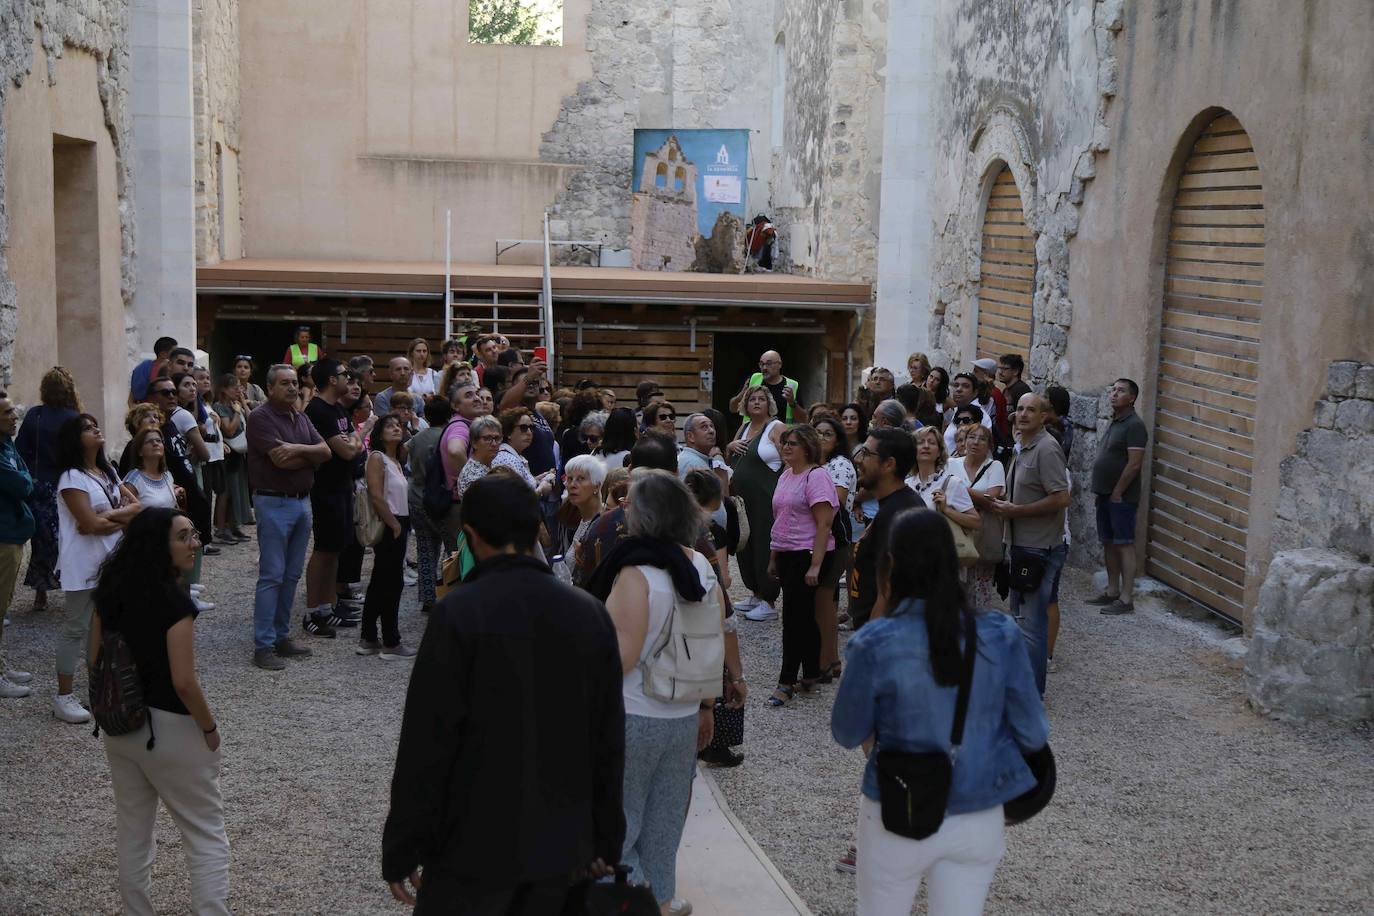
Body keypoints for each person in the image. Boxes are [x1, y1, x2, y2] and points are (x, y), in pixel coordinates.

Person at [382, 474, 625, 912]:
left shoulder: (458, 612)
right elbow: (607, 736)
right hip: (562, 840)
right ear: (537, 530)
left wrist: (404, 841)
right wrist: (608, 837)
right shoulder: (589, 613)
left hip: (471, 841)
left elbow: (428, 738)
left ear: (470, 536)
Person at [831, 509, 1049, 916]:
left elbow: (847, 731)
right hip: (979, 810)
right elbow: (1033, 733)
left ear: (890, 566)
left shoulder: (874, 642)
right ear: (953, 563)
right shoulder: (1000, 633)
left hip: (898, 803)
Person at [93, 508, 230, 915]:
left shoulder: (110, 591)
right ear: (159, 546)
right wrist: (210, 728)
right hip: (170, 727)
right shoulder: (175, 602)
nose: (195, 544)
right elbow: (184, 682)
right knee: (205, 835)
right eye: (184, 536)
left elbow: (94, 660)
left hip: (120, 726)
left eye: (194, 534)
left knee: (134, 833)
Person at [597, 471, 723, 915]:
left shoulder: (637, 573)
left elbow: (620, 659)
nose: (624, 507)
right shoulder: (703, 567)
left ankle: (627, 902)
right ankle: (662, 899)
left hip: (634, 710)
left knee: (622, 819)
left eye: (631, 502)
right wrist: (709, 705)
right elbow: (715, 641)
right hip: (684, 711)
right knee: (665, 820)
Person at [53, 414, 141, 722]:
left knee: (103, 628)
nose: (97, 430)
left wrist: (109, 519)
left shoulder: (107, 471)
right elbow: (88, 523)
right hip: (83, 564)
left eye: (95, 425)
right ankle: (63, 696)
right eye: (88, 428)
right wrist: (116, 518)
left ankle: (98, 688)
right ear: (75, 439)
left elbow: (136, 506)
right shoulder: (71, 478)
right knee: (76, 627)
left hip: (111, 559)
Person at [245, 364, 331, 671]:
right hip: (273, 502)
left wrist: (297, 450)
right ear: (270, 388)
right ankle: (264, 644)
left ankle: (281, 635)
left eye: (295, 383)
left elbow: (327, 452)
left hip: (301, 503)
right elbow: (280, 462)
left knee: (292, 574)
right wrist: (309, 457)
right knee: (272, 575)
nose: (293, 388)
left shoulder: (301, 417)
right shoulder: (260, 418)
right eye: (285, 383)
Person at [989, 394, 1069, 695]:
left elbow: (1061, 497)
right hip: (1022, 545)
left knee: (1032, 627)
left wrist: (1016, 511)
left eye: (1030, 410)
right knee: (1021, 621)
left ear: (1043, 416)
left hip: (1039, 548)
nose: (1022, 415)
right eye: (1019, 409)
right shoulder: (1024, 444)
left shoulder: (1047, 449)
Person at [764, 425, 838, 707]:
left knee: (793, 619)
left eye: (792, 443)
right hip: (787, 552)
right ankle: (810, 671)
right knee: (802, 615)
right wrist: (773, 557)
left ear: (807, 447)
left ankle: (786, 681)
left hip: (808, 552)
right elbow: (779, 520)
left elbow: (824, 523)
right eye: (784, 443)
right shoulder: (785, 476)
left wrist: (815, 566)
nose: (786, 447)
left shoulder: (816, 476)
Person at [302, 359, 369, 637]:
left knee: (336, 549)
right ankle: (312, 611)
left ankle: (328, 607)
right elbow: (347, 450)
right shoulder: (318, 410)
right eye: (344, 375)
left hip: (343, 486)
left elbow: (352, 445)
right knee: (324, 550)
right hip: (326, 488)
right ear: (331, 380)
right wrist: (365, 430)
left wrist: (354, 439)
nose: (350, 380)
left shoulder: (338, 408)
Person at [15, 366, 82, 611]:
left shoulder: (35, 415)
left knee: (41, 539)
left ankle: (41, 591)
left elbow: (21, 450)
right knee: (69, 536)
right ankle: (74, 587)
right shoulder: (75, 418)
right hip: (67, 484)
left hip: (39, 483)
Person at [355, 414, 416, 660]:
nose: (395, 429)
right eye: (389, 426)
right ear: (379, 434)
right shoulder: (378, 458)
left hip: (398, 521)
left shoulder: (395, 460)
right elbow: (376, 495)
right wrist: (394, 524)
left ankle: (370, 637)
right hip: (391, 522)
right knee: (390, 583)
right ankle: (390, 641)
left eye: (398, 425)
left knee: (383, 581)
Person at [848, 429, 921, 630]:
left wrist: (871, 642)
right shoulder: (890, 506)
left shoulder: (900, 513)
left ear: (889, 464)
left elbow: (889, 592)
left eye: (866, 454)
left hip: (885, 635)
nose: (858, 460)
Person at [1087, 378, 1148, 616]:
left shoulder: (1134, 425)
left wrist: (1118, 491)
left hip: (1121, 498)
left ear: (1132, 398)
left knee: (1124, 544)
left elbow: (1134, 464)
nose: (1114, 394)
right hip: (1106, 494)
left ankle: (1126, 597)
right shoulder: (1117, 421)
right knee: (1109, 542)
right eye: (1113, 390)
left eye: (1120, 391)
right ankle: (1112, 591)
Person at [726, 385, 786, 621]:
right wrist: (730, 447)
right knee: (745, 544)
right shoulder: (744, 427)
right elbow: (731, 457)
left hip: (766, 498)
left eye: (762, 399)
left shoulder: (776, 427)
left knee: (764, 546)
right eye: (753, 399)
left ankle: (769, 600)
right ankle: (755, 592)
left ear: (769, 403)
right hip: (743, 499)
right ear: (746, 405)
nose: (757, 402)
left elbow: (789, 458)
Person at [164, 374, 215, 600]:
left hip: (177, 475)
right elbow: (203, 452)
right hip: (187, 473)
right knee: (192, 525)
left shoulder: (185, 414)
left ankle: (187, 586)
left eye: (195, 383)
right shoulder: (183, 415)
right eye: (187, 385)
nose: (193, 388)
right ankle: (189, 584)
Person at [0, 390, 35, 699]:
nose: (14, 417)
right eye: (7, 413)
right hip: (3, 537)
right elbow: (22, 483)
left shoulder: (8, 445)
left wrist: (24, 479)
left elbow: (25, 476)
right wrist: (24, 480)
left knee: (4, 603)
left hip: (13, 534)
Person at [813, 416, 853, 679]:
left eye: (828, 434)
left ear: (837, 440)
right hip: (818, 535)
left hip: (834, 535)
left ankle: (826, 661)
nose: (821, 438)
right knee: (824, 601)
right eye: (817, 433)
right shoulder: (818, 464)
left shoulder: (840, 464)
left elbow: (834, 501)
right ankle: (832, 660)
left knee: (825, 602)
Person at [406, 397, 453, 615]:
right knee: (450, 549)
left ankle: (427, 597)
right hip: (442, 500)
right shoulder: (449, 437)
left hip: (417, 497)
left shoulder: (417, 439)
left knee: (425, 550)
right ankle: (448, 592)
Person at [953, 424, 1007, 608]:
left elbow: (992, 499)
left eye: (982, 438)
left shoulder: (995, 466)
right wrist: (977, 498)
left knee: (981, 590)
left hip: (983, 533)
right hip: (957, 532)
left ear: (989, 445)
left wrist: (961, 490)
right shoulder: (952, 464)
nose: (976, 442)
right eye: (971, 437)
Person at [211, 376, 251, 542]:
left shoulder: (236, 404)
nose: (238, 390)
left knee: (237, 490)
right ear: (224, 389)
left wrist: (241, 404)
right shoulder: (220, 407)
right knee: (225, 492)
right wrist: (236, 412)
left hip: (238, 454)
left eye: (239, 387)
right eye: (234, 387)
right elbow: (228, 430)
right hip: (227, 454)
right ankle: (221, 528)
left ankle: (234, 526)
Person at [560, 453, 608, 585]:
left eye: (581, 479)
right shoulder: (583, 519)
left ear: (597, 486)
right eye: (569, 479)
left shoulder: (603, 524)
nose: (572, 485)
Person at [679, 413, 730, 530]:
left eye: (712, 426)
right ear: (690, 436)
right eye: (704, 427)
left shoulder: (699, 460)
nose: (711, 431)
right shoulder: (690, 462)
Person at [495, 407, 555, 496]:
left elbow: (523, 486)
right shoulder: (507, 459)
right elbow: (518, 498)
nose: (529, 432)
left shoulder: (516, 456)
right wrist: (541, 488)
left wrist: (537, 480)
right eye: (523, 428)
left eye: (531, 428)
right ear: (508, 432)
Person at [729, 350, 802, 424]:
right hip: (754, 433)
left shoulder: (792, 385)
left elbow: (803, 420)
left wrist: (792, 402)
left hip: (781, 434)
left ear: (780, 364)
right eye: (761, 364)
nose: (764, 368)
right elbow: (733, 408)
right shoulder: (753, 379)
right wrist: (741, 395)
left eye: (769, 364)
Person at [123, 428, 179, 509]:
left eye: (158, 440)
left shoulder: (167, 475)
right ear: (140, 451)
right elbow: (127, 513)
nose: (155, 443)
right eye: (149, 441)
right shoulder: (134, 479)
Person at [456, 415, 502, 497]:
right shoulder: (474, 477)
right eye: (487, 438)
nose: (494, 444)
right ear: (474, 442)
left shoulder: (488, 464)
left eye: (497, 438)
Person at [130, 336, 178, 403]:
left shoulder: (144, 366)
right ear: (163, 354)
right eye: (174, 353)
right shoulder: (148, 367)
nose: (177, 355)